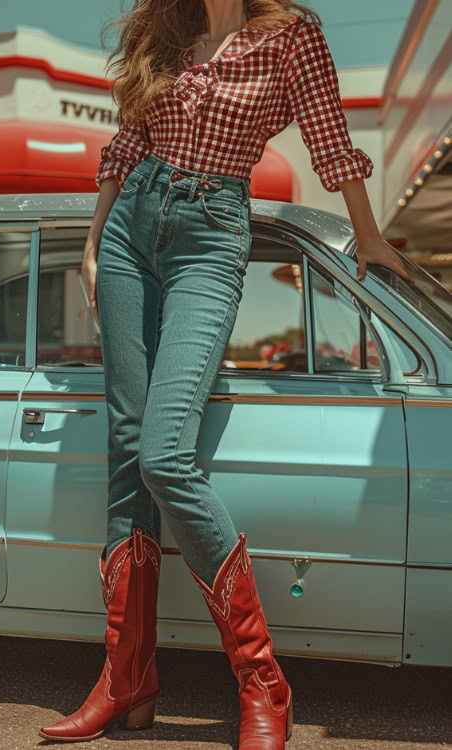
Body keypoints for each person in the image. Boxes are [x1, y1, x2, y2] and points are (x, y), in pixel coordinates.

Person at [39, 0, 414, 746]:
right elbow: (128, 140)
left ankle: (262, 679)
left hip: (211, 234)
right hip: (129, 228)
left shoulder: (290, 34)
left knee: (163, 454)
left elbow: (330, 140)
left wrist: (368, 236)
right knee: (125, 455)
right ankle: (127, 679)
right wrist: (92, 241)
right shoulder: (163, 30)